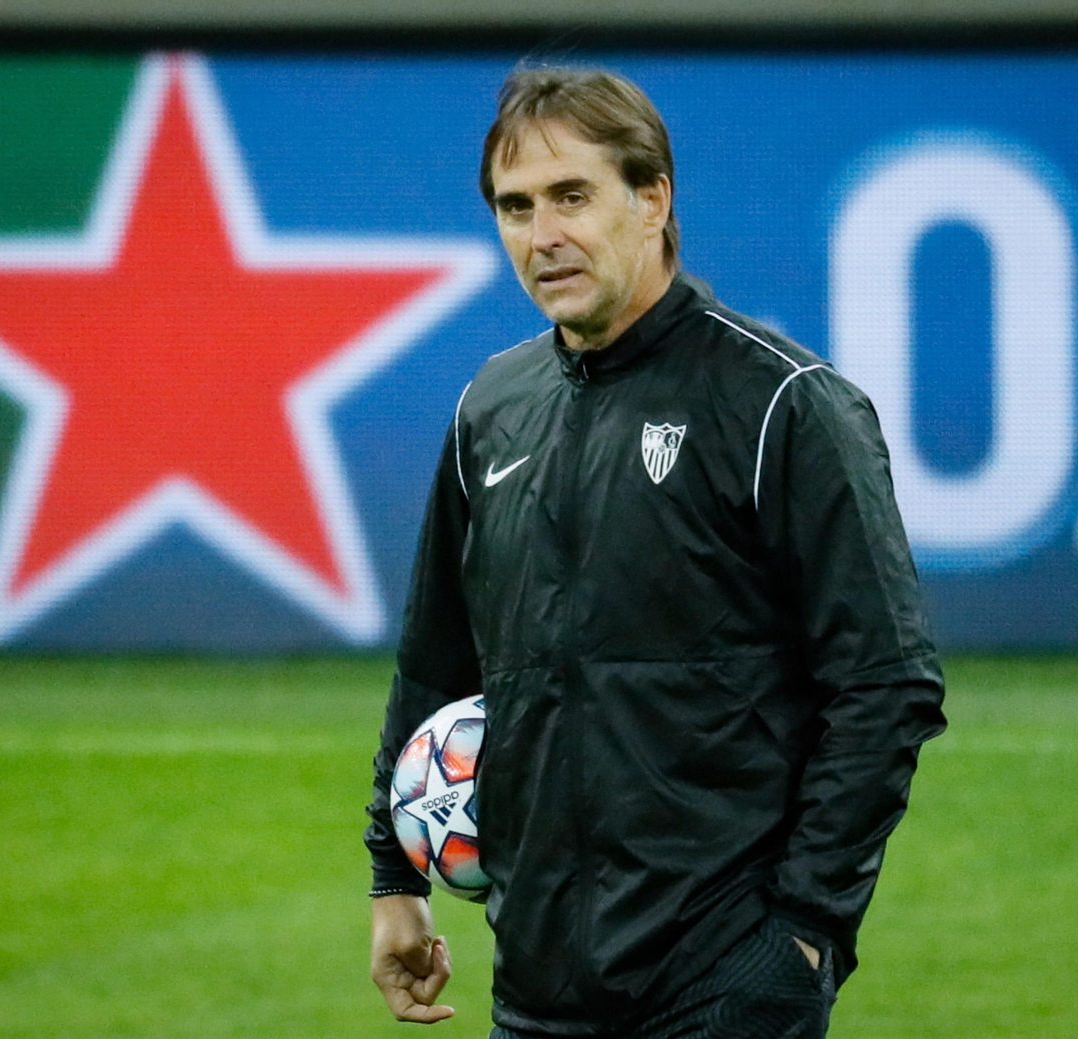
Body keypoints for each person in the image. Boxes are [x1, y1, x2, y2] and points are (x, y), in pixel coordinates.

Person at [366, 66, 946, 1039]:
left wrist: (804, 930)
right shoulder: (490, 412)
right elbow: (436, 661)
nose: (541, 234)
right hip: (537, 988)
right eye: (515, 207)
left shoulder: (781, 405)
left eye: (570, 196)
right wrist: (396, 878)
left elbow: (887, 683)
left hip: (723, 978)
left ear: (652, 200)